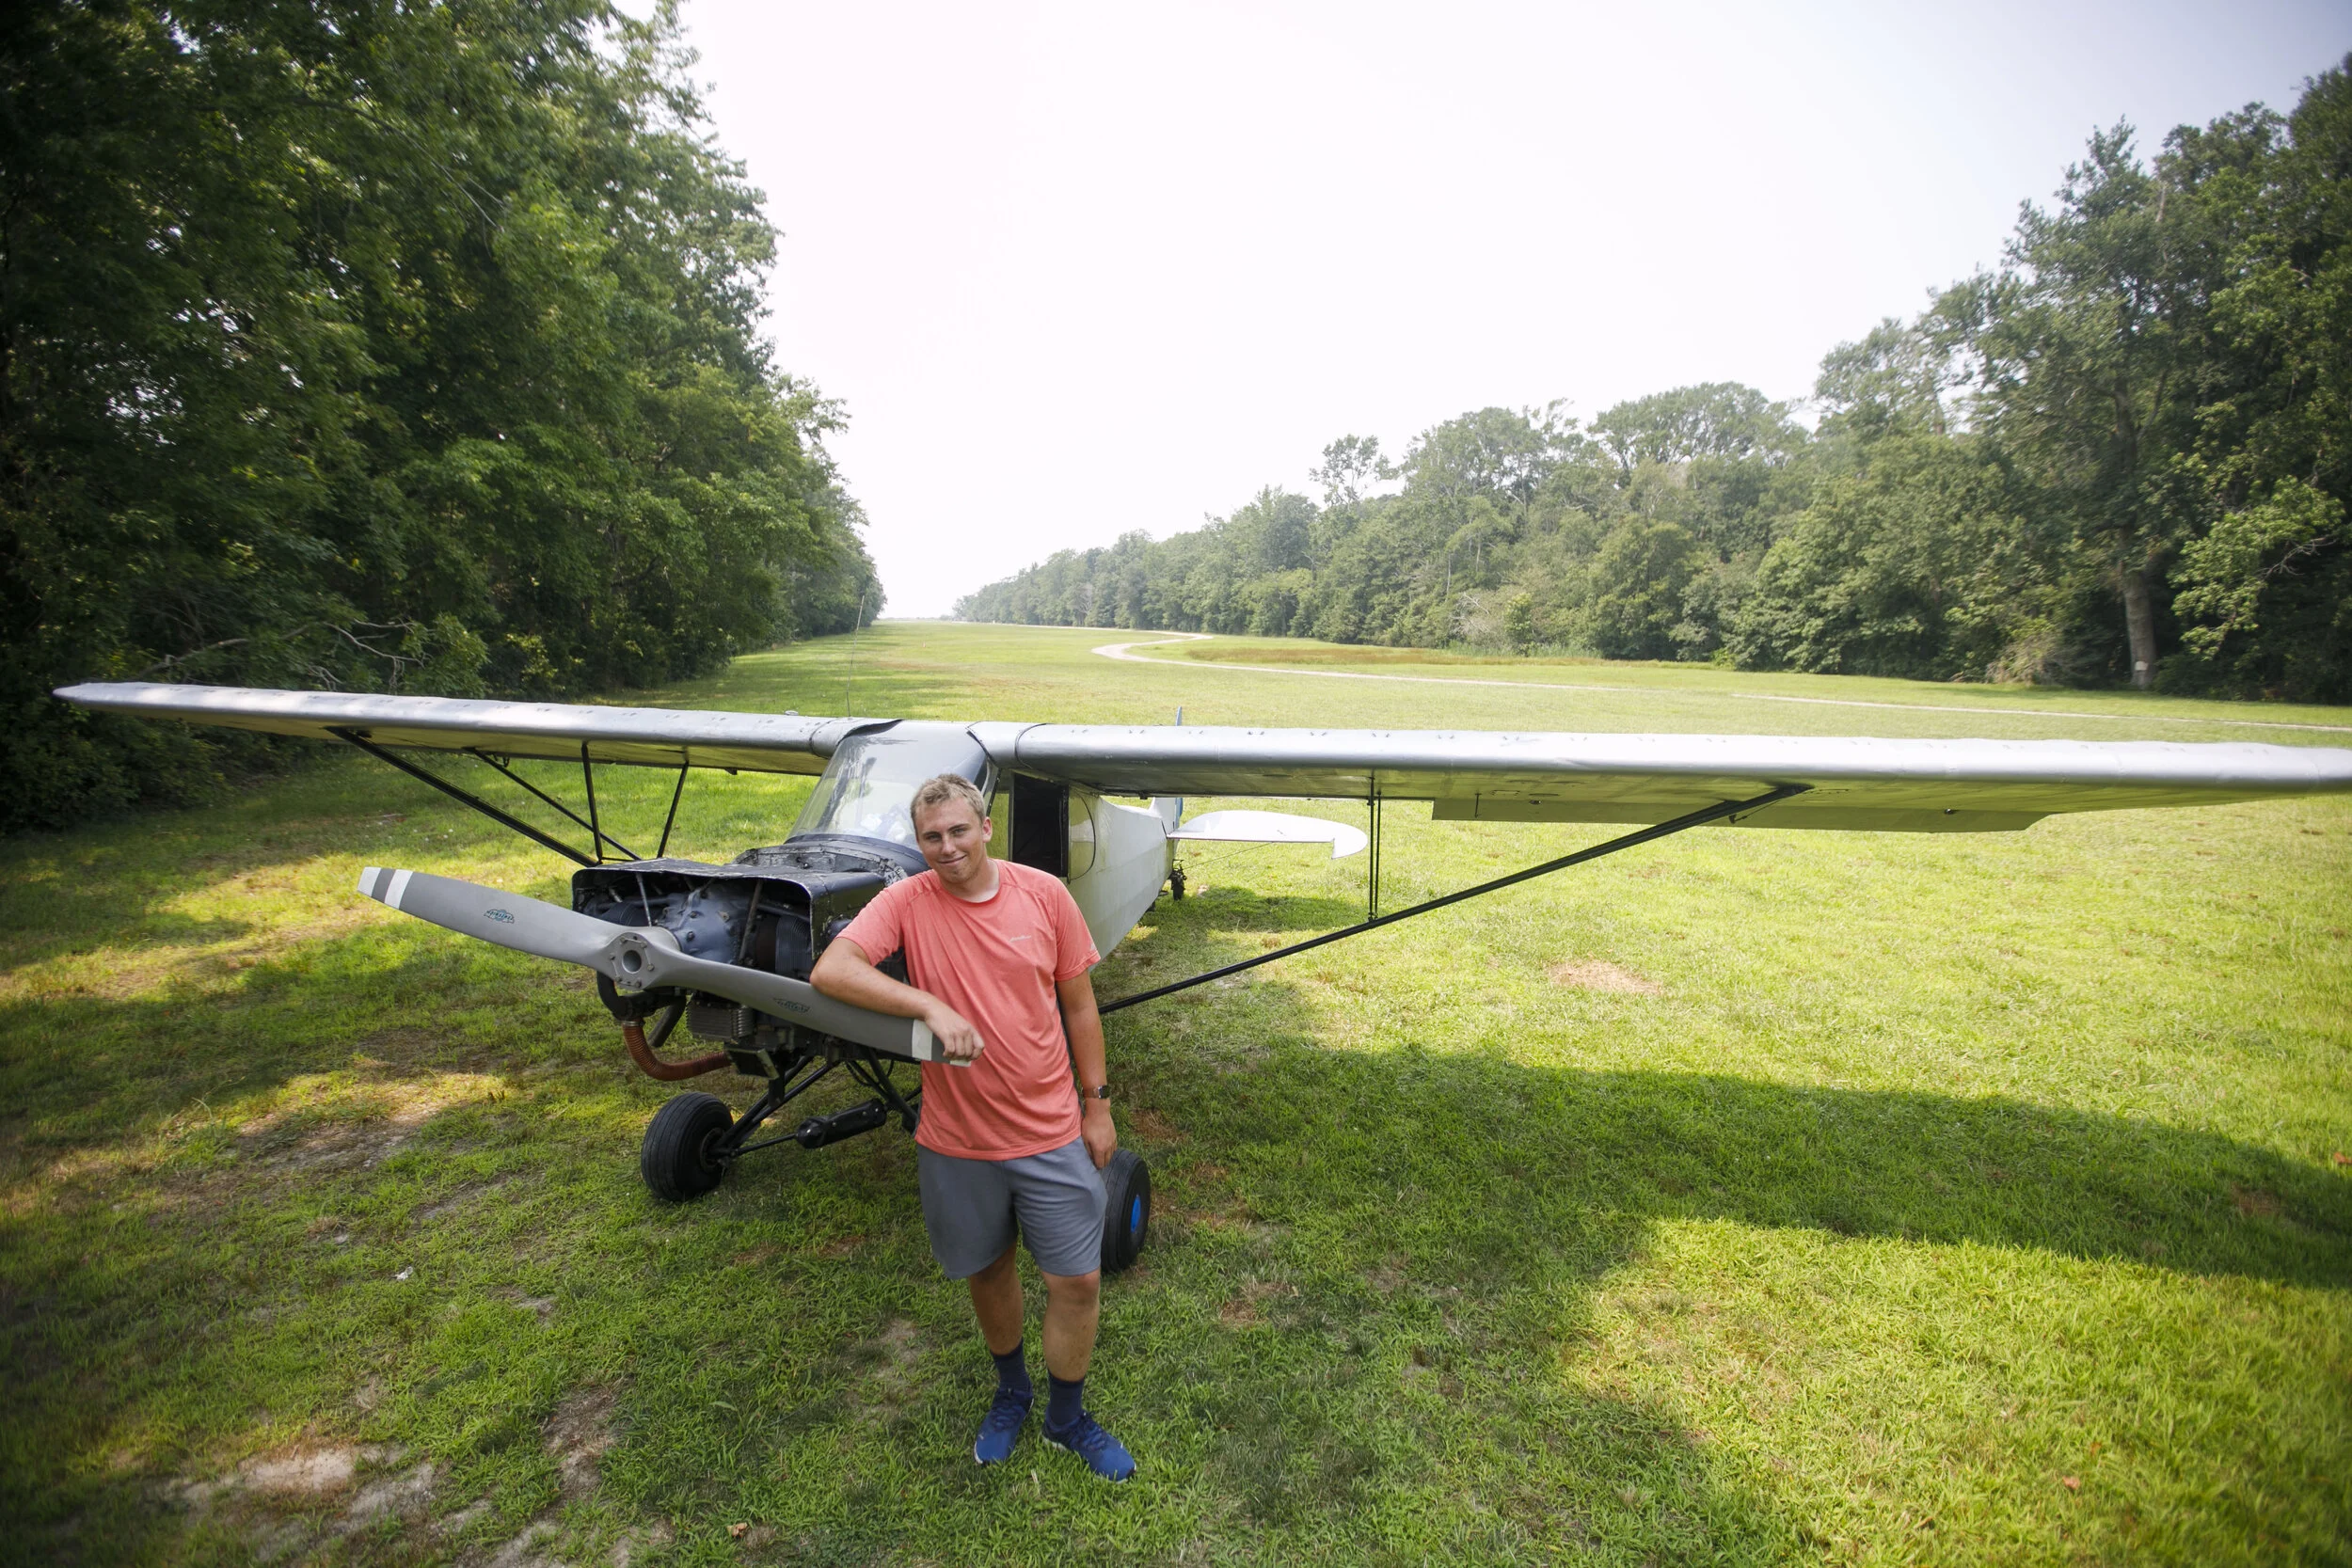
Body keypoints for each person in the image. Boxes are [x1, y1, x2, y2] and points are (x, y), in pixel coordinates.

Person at [809, 772, 1136, 1482]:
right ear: (919, 841)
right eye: (931, 836)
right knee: (987, 1269)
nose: (947, 847)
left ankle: (1066, 1416)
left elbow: (1080, 1006)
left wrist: (1098, 1102)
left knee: (1076, 1280)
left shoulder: (1043, 895)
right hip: (957, 1138)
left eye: (959, 830)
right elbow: (832, 969)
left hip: (1050, 1128)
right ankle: (1013, 1391)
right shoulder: (907, 899)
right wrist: (926, 1003)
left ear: (986, 827)